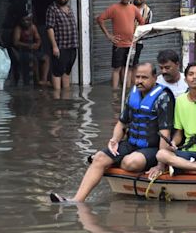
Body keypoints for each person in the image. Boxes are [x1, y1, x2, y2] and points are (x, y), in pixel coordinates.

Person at [50, 62, 174, 203]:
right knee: (99, 158)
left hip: (152, 148)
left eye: (144, 77)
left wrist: (160, 164)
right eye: (137, 77)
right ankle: (76, 200)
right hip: (131, 143)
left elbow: (165, 132)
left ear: (155, 78)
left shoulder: (164, 98)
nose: (139, 81)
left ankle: (113, 162)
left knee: (130, 162)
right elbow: (122, 122)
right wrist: (114, 140)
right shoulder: (133, 93)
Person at [97, 0, 145, 89]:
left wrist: (136, 36)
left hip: (131, 44)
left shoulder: (133, 8)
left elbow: (142, 21)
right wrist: (109, 36)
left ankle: (126, 92)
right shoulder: (114, 8)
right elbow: (100, 19)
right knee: (116, 69)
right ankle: (115, 94)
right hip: (118, 44)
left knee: (127, 69)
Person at [46, 0, 79, 91]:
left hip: (72, 46)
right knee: (57, 72)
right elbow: (49, 28)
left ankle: (66, 97)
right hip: (60, 46)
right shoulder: (52, 9)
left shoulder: (69, 9)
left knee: (67, 71)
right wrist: (54, 46)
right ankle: (57, 98)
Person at [12, 13, 50, 86]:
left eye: (28, 20)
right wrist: (28, 45)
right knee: (33, 59)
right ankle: (37, 80)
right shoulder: (18, 28)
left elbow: (38, 38)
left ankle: (44, 79)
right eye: (24, 20)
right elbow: (16, 42)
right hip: (22, 51)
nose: (26, 22)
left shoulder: (33, 27)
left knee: (46, 58)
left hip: (32, 50)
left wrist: (37, 44)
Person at [133, 0, 153, 67]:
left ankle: (133, 79)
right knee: (123, 65)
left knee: (135, 63)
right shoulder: (128, 7)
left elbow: (148, 27)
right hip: (125, 41)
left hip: (138, 42)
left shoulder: (148, 11)